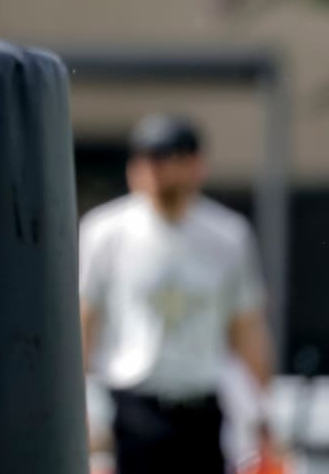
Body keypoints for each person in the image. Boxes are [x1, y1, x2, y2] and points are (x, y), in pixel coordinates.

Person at [79, 113, 277, 474]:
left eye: (164, 158)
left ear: (195, 165)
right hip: (131, 409)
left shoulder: (228, 236)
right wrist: (80, 412)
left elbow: (247, 330)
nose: (153, 170)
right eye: (144, 159)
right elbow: (84, 323)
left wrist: (263, 417)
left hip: (201, 411)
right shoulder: (105, 232)